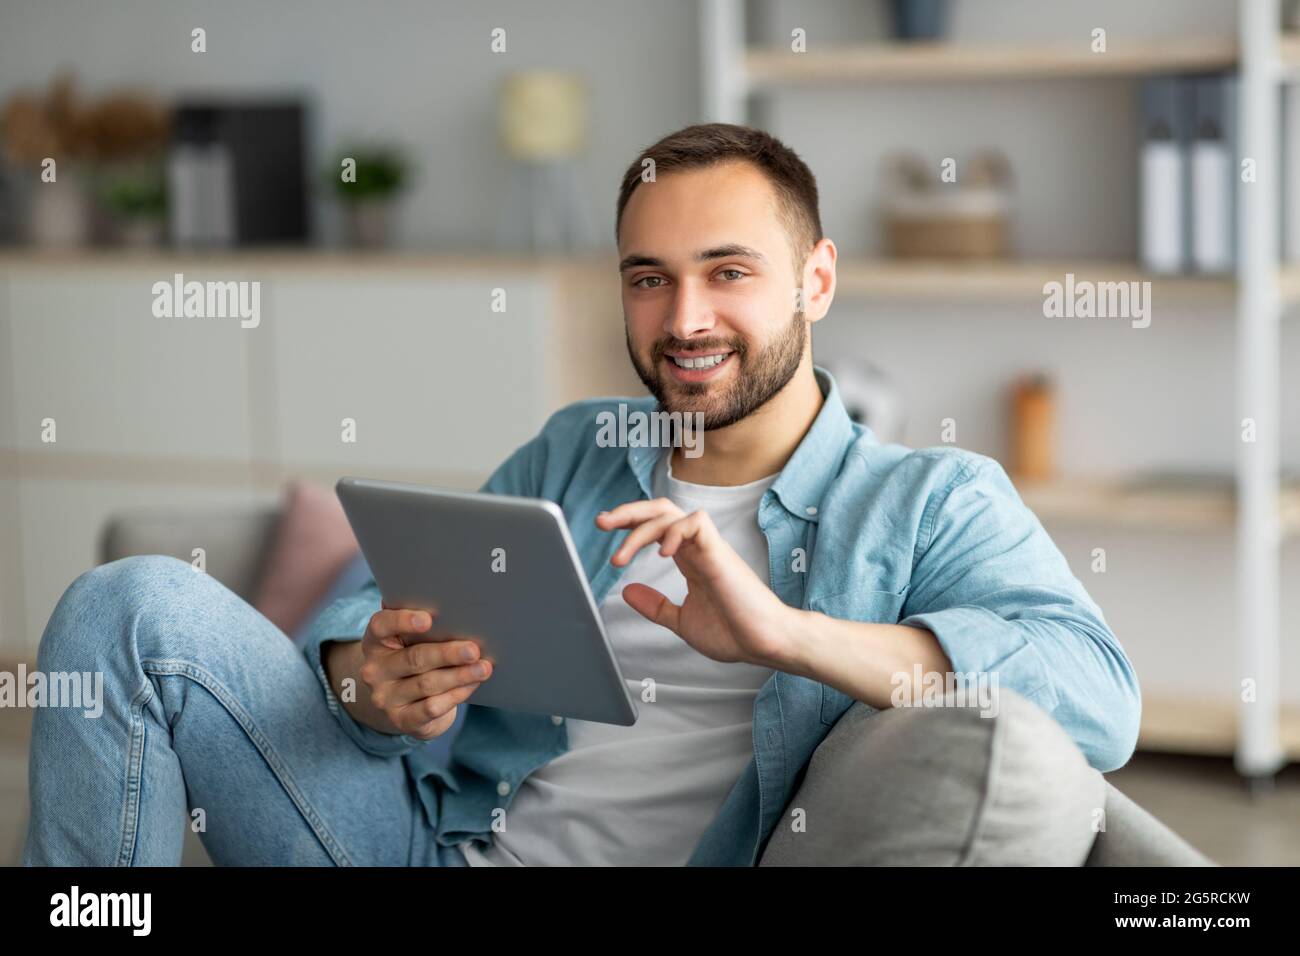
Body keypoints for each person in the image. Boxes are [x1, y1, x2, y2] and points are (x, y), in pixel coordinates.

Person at [24, 123, 1139, 867]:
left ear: (818, 279)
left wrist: (788, 633)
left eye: (728, 271)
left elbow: (1098, 696)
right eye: (648, 278)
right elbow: (378, 596)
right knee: (127, 604)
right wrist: (367, 678)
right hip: (428, 842)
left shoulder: (927, 498)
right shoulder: (583, 446)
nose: (683, 318)